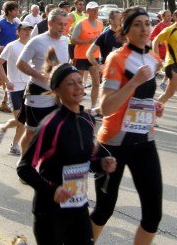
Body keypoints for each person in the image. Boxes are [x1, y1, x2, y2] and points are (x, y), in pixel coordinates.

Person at [17, 53, 117, 245]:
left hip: (78, 207)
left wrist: (102, 163)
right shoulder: (51, 125)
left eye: (80, 81)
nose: (78, 87)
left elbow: (86, 160)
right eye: (71, 84)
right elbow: (24, 167)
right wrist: (52, 190)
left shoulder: (87, 120)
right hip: (50, 211)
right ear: (56, 90)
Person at [91, 7, 164, 245]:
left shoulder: (153, 59)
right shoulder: (116, 58)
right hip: (114, 143)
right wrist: (133, 82)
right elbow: (105, 107)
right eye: (137, 25)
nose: (144, 29)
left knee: (153, 214)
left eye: (147, 23)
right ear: (126, 29)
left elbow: (138, 99)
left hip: (144, 141)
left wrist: (152, 105)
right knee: (104, 210)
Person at [17, 8, 70, 154]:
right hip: (38, 93)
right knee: (31, 132)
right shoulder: (37, 41)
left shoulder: (65, 40)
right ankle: (24, 163)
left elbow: (65, 63)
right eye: (60, 24)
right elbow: (20, 64)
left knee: (55, 131)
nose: (62, 28)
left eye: (65, 24)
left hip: (58, 94)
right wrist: (40, 76)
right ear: (49, 23)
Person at [0, 22, 32, 156]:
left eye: (29, 30)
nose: (27, 32)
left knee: (24, 120)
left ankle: (14, 144)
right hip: (14, 86)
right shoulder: (12, 46)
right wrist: (7, 81)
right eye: (24, 30)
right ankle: (5, 129)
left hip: (28, 86)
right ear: (18, 32)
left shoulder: (31, 46)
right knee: (20, 119)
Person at [71, 1, 104, 114]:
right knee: (77, 83)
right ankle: (76, 107)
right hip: (80, 56)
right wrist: (87, 41)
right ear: (88, 11)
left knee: (96, 83)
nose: (96, 12)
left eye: (97, 9)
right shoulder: (81, 23)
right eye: (93, 10)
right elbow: (73, 39)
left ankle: (93, 107)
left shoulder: (100, 23)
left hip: (94, 57)